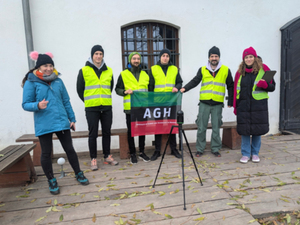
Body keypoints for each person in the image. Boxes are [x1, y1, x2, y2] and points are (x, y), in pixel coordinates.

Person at [22, 51, 89, 195]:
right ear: (39, 67)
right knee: (46, 153)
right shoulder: (31, 81)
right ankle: (51, 180)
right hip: (44, 123)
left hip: (61, 121)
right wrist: (37, 106)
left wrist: (72, 119)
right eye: (45, 66)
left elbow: (66, 101)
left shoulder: (58, 80)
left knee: (69, 149)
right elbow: (25, 104)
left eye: (50, 65)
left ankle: (78, 173)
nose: (48, 68)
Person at [180, 46, 233, 157]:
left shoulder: (226, 70)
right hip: (204, 104)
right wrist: (184, 88)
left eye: (216, 56)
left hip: (217, 104)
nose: (214, 58)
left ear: (219, 57)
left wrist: (230, 101)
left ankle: (215, 148)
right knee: (201, 127)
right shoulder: (203, 69)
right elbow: (195, 81)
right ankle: (200, 149)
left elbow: (231, 86)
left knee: (216, 128)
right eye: (212, 56)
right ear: (209, 57)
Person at [76, 45, 118, 171]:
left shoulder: (109, 70)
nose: (98, 56)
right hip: (91, 108)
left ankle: (107, 156)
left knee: (107, 132)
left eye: (100, 54)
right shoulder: (84, 70)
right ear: (92, 55)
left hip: (106, 107)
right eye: (96, 54)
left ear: (103, 55)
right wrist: (89, 101)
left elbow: (110, 87)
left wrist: (102, 100)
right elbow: (79, 90)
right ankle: (93, 158)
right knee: (92, 134)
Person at [233, 47, 275, 163]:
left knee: (257, 130)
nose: (249, 59)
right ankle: (245, 154)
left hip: (259, 107)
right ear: (243, 59)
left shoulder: (264, 70)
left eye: (251, 56)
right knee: (245, 131)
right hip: (244, 106)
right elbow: (236, 90)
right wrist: (235, 106)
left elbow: (272, 87)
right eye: (246, 57)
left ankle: (255, 153)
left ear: (255, 58)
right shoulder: (239, 73)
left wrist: (265, 85)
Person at [115, 52, 151, 164]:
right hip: (130, 108)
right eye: (134, 58)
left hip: (143, 107)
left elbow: (150, 91)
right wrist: (125, 91)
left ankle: (141, 152)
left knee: (142, 131)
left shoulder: (146, 75)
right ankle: (132, 154)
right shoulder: (123, 74)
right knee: (131, 131)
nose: (136, 60)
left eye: (138, 59)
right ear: (130, 60)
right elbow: (117, 89)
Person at [149, 49, 183, 161]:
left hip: (171, 102)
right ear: (160, 57)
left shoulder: (174, 69)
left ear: (169, 57)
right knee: (158, 127)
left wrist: (177, 87)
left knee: (172, 126)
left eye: (167, 56)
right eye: (163, 55)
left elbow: (179, 82)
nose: (165, 57)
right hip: (158, 103)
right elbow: (150, 86)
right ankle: (157, 151)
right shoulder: (153, 69)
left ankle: (174, 149)